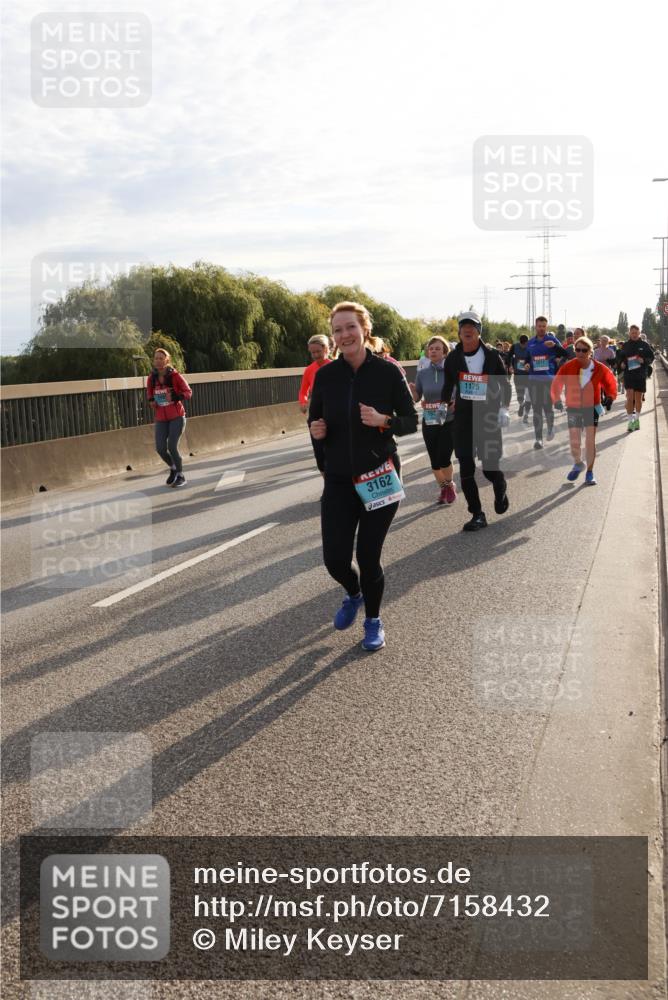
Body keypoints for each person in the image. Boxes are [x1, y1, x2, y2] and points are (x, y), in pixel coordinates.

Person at [308, 301, 418, 651]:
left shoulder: (387, 372)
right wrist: (319, 439)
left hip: (379, 475)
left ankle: (373, 620)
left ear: (364, 329)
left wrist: (384, 420)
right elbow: (314, 423)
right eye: (337, 330)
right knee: (335, 560)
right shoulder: (326, 376)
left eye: (350, 327)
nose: (345, 335)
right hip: (339, 479)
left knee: (369, 556)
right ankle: (353, 593)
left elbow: (411, 422)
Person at [441, 311, 511, 532]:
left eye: (472, 327)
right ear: (459, 333)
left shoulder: (491, 355)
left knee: (489, 469)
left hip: (488, 417)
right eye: (463, 327)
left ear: (479, 331)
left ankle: (500, 486)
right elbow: (447, 385)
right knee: (466, 467)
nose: (467, 330)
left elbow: (505, 384)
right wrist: (444, 405)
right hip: (463, 418)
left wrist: (504, 408)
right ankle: (477, 514)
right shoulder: (453, 358)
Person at [550, 336, 617, 486]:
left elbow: (610, 382)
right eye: (577, 350)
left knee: (589, 440)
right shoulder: (568, 366)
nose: (580, 353)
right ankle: (578, 463)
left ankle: (590, 472)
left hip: (591, 407)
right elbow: (557, 383)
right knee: (575, 441)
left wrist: (610, 397)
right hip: (573, 407)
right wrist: (557, 400)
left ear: (590, 352)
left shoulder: (599, 367)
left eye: (584, 350)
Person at [409, 336, 457, 505]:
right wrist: (413, 392)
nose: (433, 351)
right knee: (435, 461)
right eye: (431, 349)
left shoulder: (453, 372)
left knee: (444, 457)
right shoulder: (422, 373)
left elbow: (462, 391)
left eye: (437, 348)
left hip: (449, 420)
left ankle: (449, 483)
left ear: (445, 352)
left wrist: (457, 403)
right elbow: (417, 398)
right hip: (430, 420)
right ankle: (444, 488)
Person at [146, 349, 192, 487]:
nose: (158, 361)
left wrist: (177, 397)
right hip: (161, 418)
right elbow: (149, 394)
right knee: (160, 448)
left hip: (177, 417)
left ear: (167, 360)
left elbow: (188, 392)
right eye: (156, 358)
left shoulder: (175, 376)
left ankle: (181, 475)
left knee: (172, 446)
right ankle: (173, 467)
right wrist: (152, 401)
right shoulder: (152, 378)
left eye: (161, 358)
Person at [526, 316, 569, 448]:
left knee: (547, 407)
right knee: (536, 410)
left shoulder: (552, 340)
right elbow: (527, 358)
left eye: (544, 326)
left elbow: (565, 353)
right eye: (539, 326)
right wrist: (527, 364)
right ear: (535, 326)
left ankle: (550, 428)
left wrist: (555, 346)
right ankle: (538, 439)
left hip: (548, 381)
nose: (541, 328)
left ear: (547, 327)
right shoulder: (530, 342)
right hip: (533, 380)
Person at [617, 324, 655, 431]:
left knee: (638, 398)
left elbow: (651, 357)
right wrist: (622, 363)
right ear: (629, 333)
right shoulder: (625, 345)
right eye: (632, 333)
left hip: (640, 374)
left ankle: (637, 420)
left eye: (636, 333)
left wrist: (644, 360)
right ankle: (630, 422)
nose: (634, 335)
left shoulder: (644, 345)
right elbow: (620, 358)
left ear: (639, 333)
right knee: (629, 398)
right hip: (629, 375)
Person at [298, 335, 332, 414]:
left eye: (318, 351)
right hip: (316, 411)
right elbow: (303, 391)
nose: (316, 355)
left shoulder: (335, 367)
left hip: (334, 410)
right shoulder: (309, 370)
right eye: (313, 352)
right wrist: (303, 402)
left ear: (325, 349)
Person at [507, 334, 532, 421]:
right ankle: (522, 405)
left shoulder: (531, 347)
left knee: (528, 395)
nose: (524, 346)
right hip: (518, 375)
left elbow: (533, 358)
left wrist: (529, 364)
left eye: (526, 345)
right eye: (523, 345)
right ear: (520, 343)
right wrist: (510, 365)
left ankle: (526, 415)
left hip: (528, 375)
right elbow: (509, 356)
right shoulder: (515, 346)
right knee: (519, 396)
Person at [592, 335, 617, 411]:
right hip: (597, 372)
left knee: (606, 388)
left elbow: (614, 363)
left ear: (608, 342)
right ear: (600, 341)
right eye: (602, 340)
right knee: (599, 388)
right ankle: (601, 402)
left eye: (605, 341)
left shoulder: (610, 351)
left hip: (607, 371)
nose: (603, 342)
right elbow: (593, 361)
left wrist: (609, 361)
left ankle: (608, 402)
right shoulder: (596, 351)